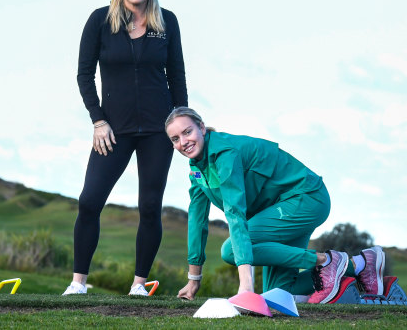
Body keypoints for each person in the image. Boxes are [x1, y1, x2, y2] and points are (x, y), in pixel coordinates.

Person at [164, 107, 386, 302]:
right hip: (281, 209)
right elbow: (197, 221)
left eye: (187, 132)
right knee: (278, 292)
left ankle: (326, 261)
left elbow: (235, 212)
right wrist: (194, 279)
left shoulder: (224, 153)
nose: (183, 142)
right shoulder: (197, 168)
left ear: (201, 128)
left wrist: (246, 286)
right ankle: (360, 266)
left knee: (230, 250)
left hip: (306, 197)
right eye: (175, 139)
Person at [62, 0, 188, 296]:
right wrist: (97, 119)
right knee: (89, 201)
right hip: (112, 130)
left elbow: (176, 75)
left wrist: (183, 125)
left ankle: (138, 284)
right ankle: (78, 283)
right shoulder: (100, 21)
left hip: (158, 131)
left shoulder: (167, 22)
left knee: (149, 207)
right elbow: (84, 75)